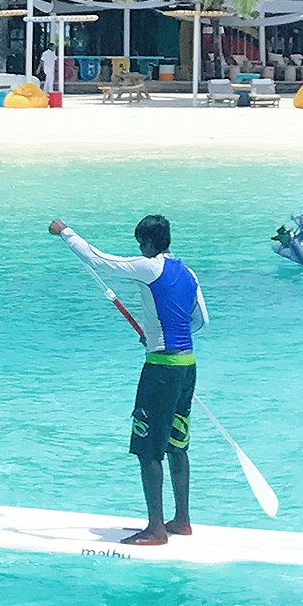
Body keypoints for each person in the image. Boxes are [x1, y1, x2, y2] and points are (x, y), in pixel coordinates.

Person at [49, 213, 207, 545]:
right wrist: (161, 336)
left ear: (148, 243)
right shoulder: (189, 273)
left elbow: (99, 260)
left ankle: (156, 529)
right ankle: (182, 521)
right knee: (178, 444)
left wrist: (66, 233)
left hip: (161, 370)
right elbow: (199, 320)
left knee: (149, 450)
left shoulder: (150, 266)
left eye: (140, 243)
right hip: (187, 365)